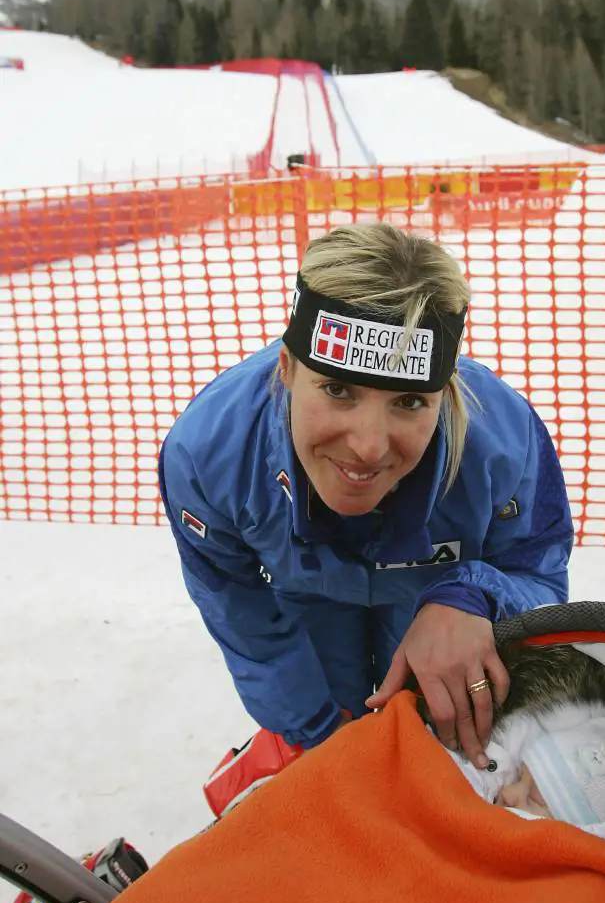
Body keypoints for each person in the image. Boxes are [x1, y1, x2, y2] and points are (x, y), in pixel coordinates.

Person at [159, 222, 573, 771]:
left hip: (435, 589)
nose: (368, 448)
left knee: (433, 741)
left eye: (409, 402)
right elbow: (238, 607)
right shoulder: (210, 452)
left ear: (445, 394)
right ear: (286, 369)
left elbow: (539, 576)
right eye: (337, 390)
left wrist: (476, 595)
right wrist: (316, 731)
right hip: (306, 588)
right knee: (332, 737)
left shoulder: (505, 439)